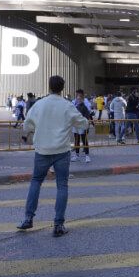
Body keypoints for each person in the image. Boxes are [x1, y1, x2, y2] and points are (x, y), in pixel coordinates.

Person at [17, 75, 89, 237]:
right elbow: (82, 123)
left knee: (36, 181)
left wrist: (38, 129)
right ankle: (58, 224)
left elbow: (26, 125)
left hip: (42, 150)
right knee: (62, 186)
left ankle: (28, 218)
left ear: (49, 86)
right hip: (62, 151)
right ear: (62, 88)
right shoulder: (67, 105)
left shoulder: (39, 104)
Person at [71, 89, 92, 163]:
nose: (78, 97)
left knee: (84, 140)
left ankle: (87, 156)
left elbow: (88, 114)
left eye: (79, 95)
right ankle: (76, 155)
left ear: (82, 95)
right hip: (75, 125)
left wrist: (88, 124)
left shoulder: (86, 103)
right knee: (76, 140)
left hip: (82, 125)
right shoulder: (74, 102)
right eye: (77, 95)